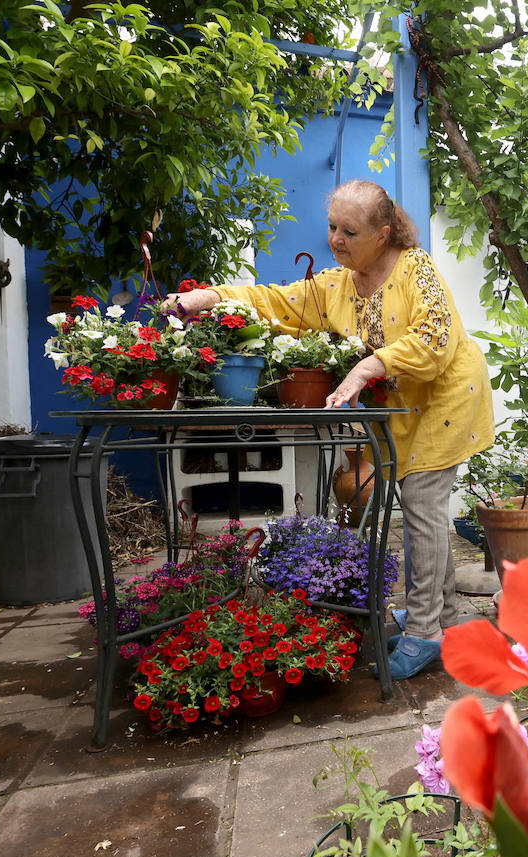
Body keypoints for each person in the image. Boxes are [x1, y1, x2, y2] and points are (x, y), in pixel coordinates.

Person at [162, 179, 494, 680]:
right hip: (398, 409)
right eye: (333, 227)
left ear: (384, 233)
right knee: (420, 508)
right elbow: (278, 301)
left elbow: (436, 336)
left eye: (350, 231)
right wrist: (209, 297)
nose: (337, 240)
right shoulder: (338, 284)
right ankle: (443, 617)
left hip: (444, 399)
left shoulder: (415, 270)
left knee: (423, 506)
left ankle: (425, 630)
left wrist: (364, 369)